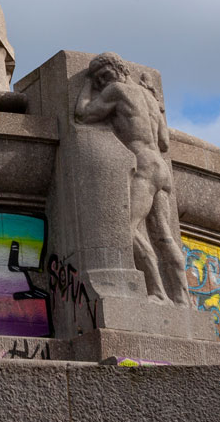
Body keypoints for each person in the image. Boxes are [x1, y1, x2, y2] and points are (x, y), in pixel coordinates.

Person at [74, 52, 188, 304]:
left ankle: (158, 291)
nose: (102, 82)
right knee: (163, 235)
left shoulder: (116, 90)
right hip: (161, 168)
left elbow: (83, 114)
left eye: (104, 75)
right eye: (98, 78)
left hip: (144, 166)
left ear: (119, 70)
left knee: (127, 231)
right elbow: (164, 142)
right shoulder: (149, 98)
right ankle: (182, 299)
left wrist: (87, 83)